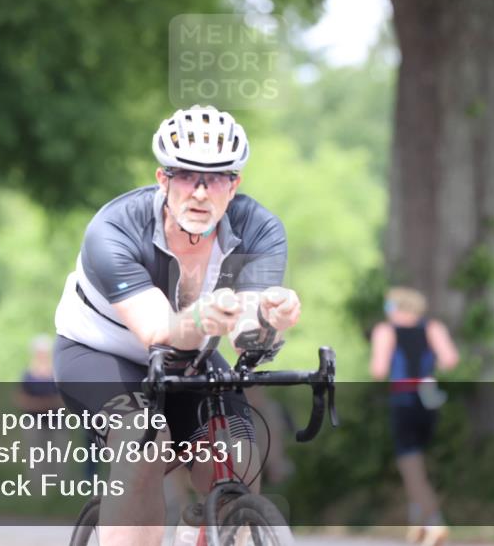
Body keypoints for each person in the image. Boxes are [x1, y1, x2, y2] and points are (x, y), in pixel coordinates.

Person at [53, 105, 302, 546]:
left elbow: (248, 335)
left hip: (192, 354)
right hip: (100, 352)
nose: (200, 193)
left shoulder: (259, 230)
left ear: (235, 185)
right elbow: (159, 332)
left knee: (239, 460)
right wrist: (204, 316)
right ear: (162, 179)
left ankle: (201, 530)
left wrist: (272, 321)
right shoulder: (114, 229)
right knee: (142, 444)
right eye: (186, 176)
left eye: (217, 178)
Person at [369, 287, 459, 546]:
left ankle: (434, 522)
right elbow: (450, 359)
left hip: (404, 398)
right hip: (428, 398)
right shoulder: (433, 328)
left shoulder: (385, 331)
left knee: (410, 465)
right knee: (418, 462)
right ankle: (417, 525)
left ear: (397, 308)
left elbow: (378, 369)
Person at [16, 335, 66, 478]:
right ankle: (37, 486)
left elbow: (64, 399)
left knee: (58, 455)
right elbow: (20, 399)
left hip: (56, 421)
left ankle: (58, 486)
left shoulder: (57, 373)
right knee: (35, 455)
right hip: (33, 421)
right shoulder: (28, 375)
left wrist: (44, 404)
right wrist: (42, 404)